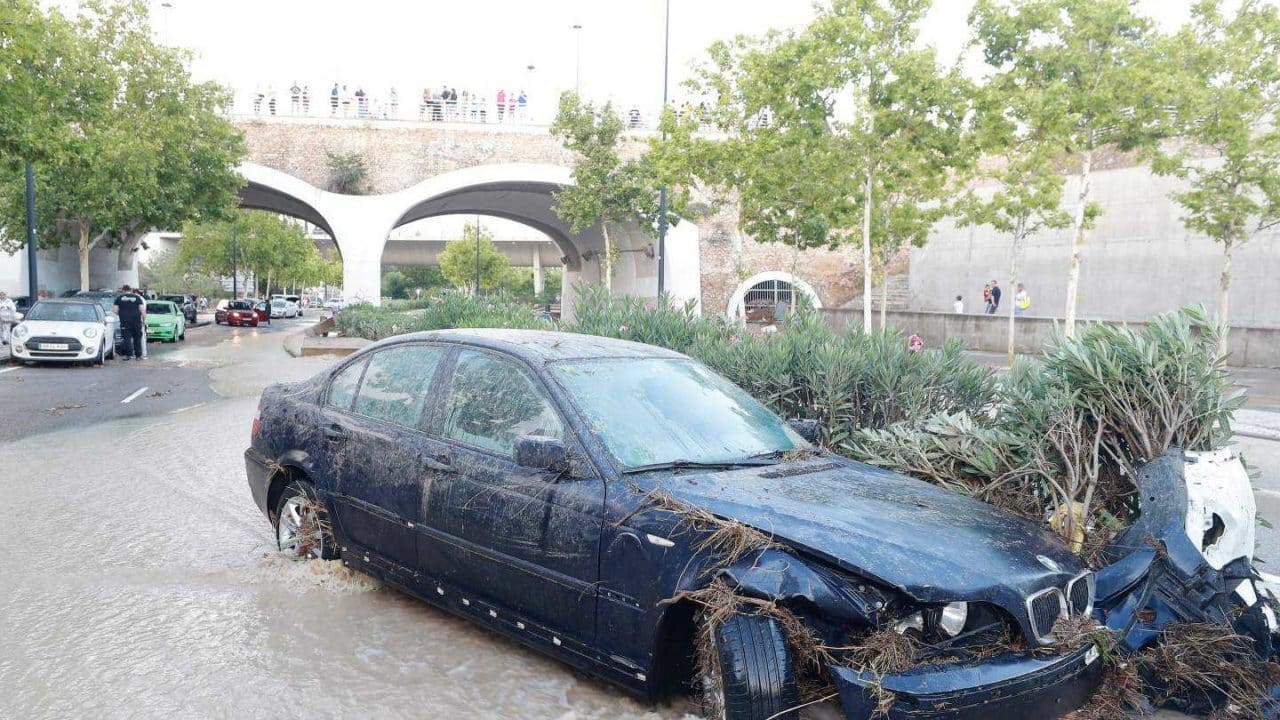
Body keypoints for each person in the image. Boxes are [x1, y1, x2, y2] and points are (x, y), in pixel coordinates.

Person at [113, 285, 146, 361]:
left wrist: (121, 314)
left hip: (125, 322)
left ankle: (129, 355)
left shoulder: (119, 298)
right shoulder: (137, 298)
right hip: (136, 321)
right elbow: (142, 310)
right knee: (137, 338)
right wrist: (143, 320)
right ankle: (138, 356)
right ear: (130, 290)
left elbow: (115, 310)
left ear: (123, 291)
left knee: (127, 338)